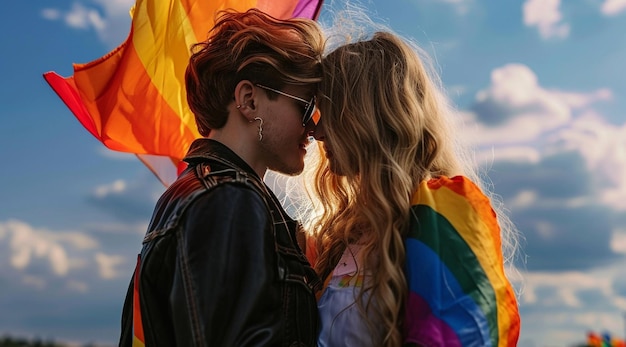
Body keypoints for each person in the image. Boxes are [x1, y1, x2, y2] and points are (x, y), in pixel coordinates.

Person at [118, 8, 325, 346]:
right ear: (249, 100)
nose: (314, 128)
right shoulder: (228, 198)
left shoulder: (199, 191)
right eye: (306, 108)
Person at [305, 30, 521, 346]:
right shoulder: (347, 233)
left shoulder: (446, 210)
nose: (317, 131)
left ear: (368, 115)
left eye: (331, 112)